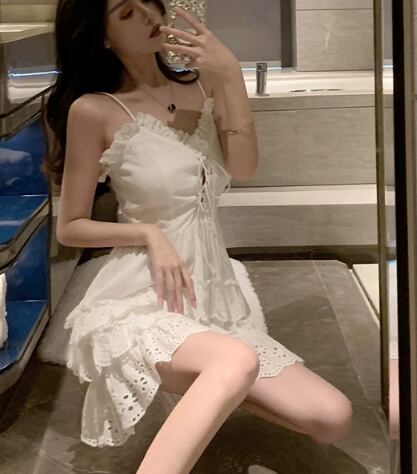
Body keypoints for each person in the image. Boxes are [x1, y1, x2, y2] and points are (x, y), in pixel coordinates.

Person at [43, 1, 353, 472]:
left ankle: (213, 388)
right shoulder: (95, 110)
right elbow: (70, 227)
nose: (148, 15)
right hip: (143, 297)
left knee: (332, 418)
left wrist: (229, 76)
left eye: (147, 2)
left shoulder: (202, 85)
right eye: (126, 13)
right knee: (233, 361)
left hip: (213, 298)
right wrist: (148, 233)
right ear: (102, 37)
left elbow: (243, 168)